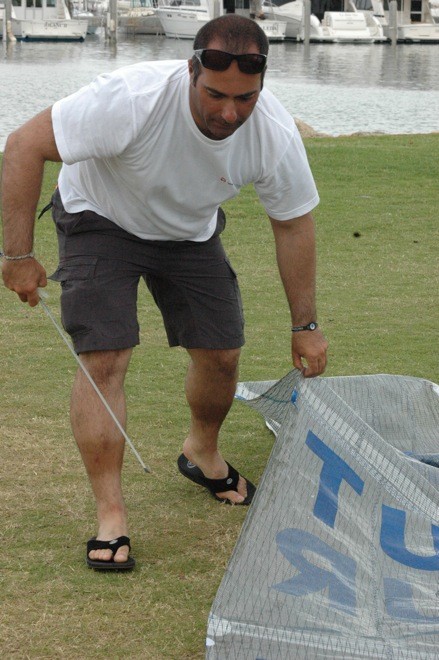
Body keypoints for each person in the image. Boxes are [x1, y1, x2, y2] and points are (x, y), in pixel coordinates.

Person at [1, 14, 328, 571]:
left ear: (262, 87)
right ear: (191, 70)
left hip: (188, 230)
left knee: (223, 353)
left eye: (245, 98)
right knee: (104, 357)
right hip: (100, 215)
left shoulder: (272, 131)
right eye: (215, 94)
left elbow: (293, 224)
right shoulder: (133, 98)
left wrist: (306, 325)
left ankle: (202, 452)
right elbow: (24, 144)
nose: (229, 112)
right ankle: (111, 515)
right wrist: (16, 254)